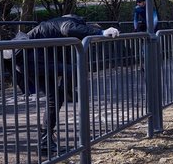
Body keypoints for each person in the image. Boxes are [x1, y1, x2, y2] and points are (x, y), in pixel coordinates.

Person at [8, 15, 119, 154]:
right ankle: (68, 95)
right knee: (74, 70)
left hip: (34, 60)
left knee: (54, 99)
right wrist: (100, 33)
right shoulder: (70, 22)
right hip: (32, 59)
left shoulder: (56, 26)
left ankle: (45, 143)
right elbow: (68, 28)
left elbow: (62, 60)